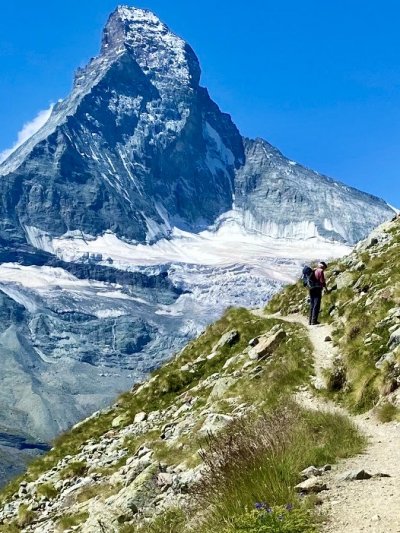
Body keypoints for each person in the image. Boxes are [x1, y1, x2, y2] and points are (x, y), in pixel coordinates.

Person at [309, 261, 329, 325]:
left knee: (312, 304)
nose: (324, 269)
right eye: (324, 268)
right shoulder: (320, 271)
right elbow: (322, 281)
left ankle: (310, 321)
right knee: (316, 304)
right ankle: (314, 321)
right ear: (323, 266)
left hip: (311, 288)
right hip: (317, 288)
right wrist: (326, 289)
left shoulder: (314, 270)